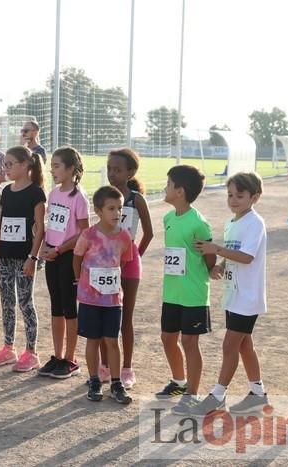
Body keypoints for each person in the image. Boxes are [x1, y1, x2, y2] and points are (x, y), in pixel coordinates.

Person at [191, 172, 268, 415]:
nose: (233, 200)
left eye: (240, 195)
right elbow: (234, 254)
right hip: (234, 294)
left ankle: (218, 395)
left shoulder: (255, 223)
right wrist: (220, 266)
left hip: (248, 297)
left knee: (229, 345)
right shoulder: (232, 222)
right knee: (244, 346)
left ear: (254, 197)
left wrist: (217, 249)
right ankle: (258, 393)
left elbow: (247, 256)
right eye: (230, 195)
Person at [155, 165, 216, 415]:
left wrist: (210, 270)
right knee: (167, 338)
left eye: (169, 184)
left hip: (193, 293)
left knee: (190, 342)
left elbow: (209, 255)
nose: (165, 187)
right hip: (172, 292)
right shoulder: (168, 218)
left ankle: (192, 394)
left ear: (180, 191)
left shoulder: (198, 223)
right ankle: (179, 382)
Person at [0, 146, 46, 372]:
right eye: (6, 164)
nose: (6, 168)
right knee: (6, 302)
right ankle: (8, 347)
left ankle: (31, 352)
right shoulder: (8, 192)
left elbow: (40, 227)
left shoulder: (36, 193)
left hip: (24, 258)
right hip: (5, 255)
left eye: (10, 164)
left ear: (25, 165)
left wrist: (33, 257)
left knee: (25, 302)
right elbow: (1, 223)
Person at [98, 148, 153, 389]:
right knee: (103, 315)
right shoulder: (102, 197)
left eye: (118, 170)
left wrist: (134, 256)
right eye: (110, 169)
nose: (112, 173)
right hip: (104, 263)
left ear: (130, 172)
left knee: (125, 319)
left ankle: (127, 368)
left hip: (129, 265)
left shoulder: (136, 199)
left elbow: (149, 233)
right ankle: (105, 366)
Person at [75, 186, 134, 404]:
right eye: (111, 208)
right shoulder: (89, 234)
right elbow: (77, 257)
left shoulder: (124, 236)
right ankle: (94, 380)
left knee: (112, 339)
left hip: (112, 299)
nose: (117, 213)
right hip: (90, 298)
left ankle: (116, 383)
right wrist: (78, 280)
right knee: (93, 339)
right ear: (99, 210)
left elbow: (124, 261)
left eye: (119, 208)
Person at [38, 147, 90, 379]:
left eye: (57, 166)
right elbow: (52, 226)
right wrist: (45, 247)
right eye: (52, 167)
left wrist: (59, 249)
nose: (53, 171)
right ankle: (58, 356)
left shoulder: (79, 198)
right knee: (56, 306)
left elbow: (84, 232)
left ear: (71, 169)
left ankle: (70, 358)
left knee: (69, 308)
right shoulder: (53, 194)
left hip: (68, 257)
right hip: (52, 255)